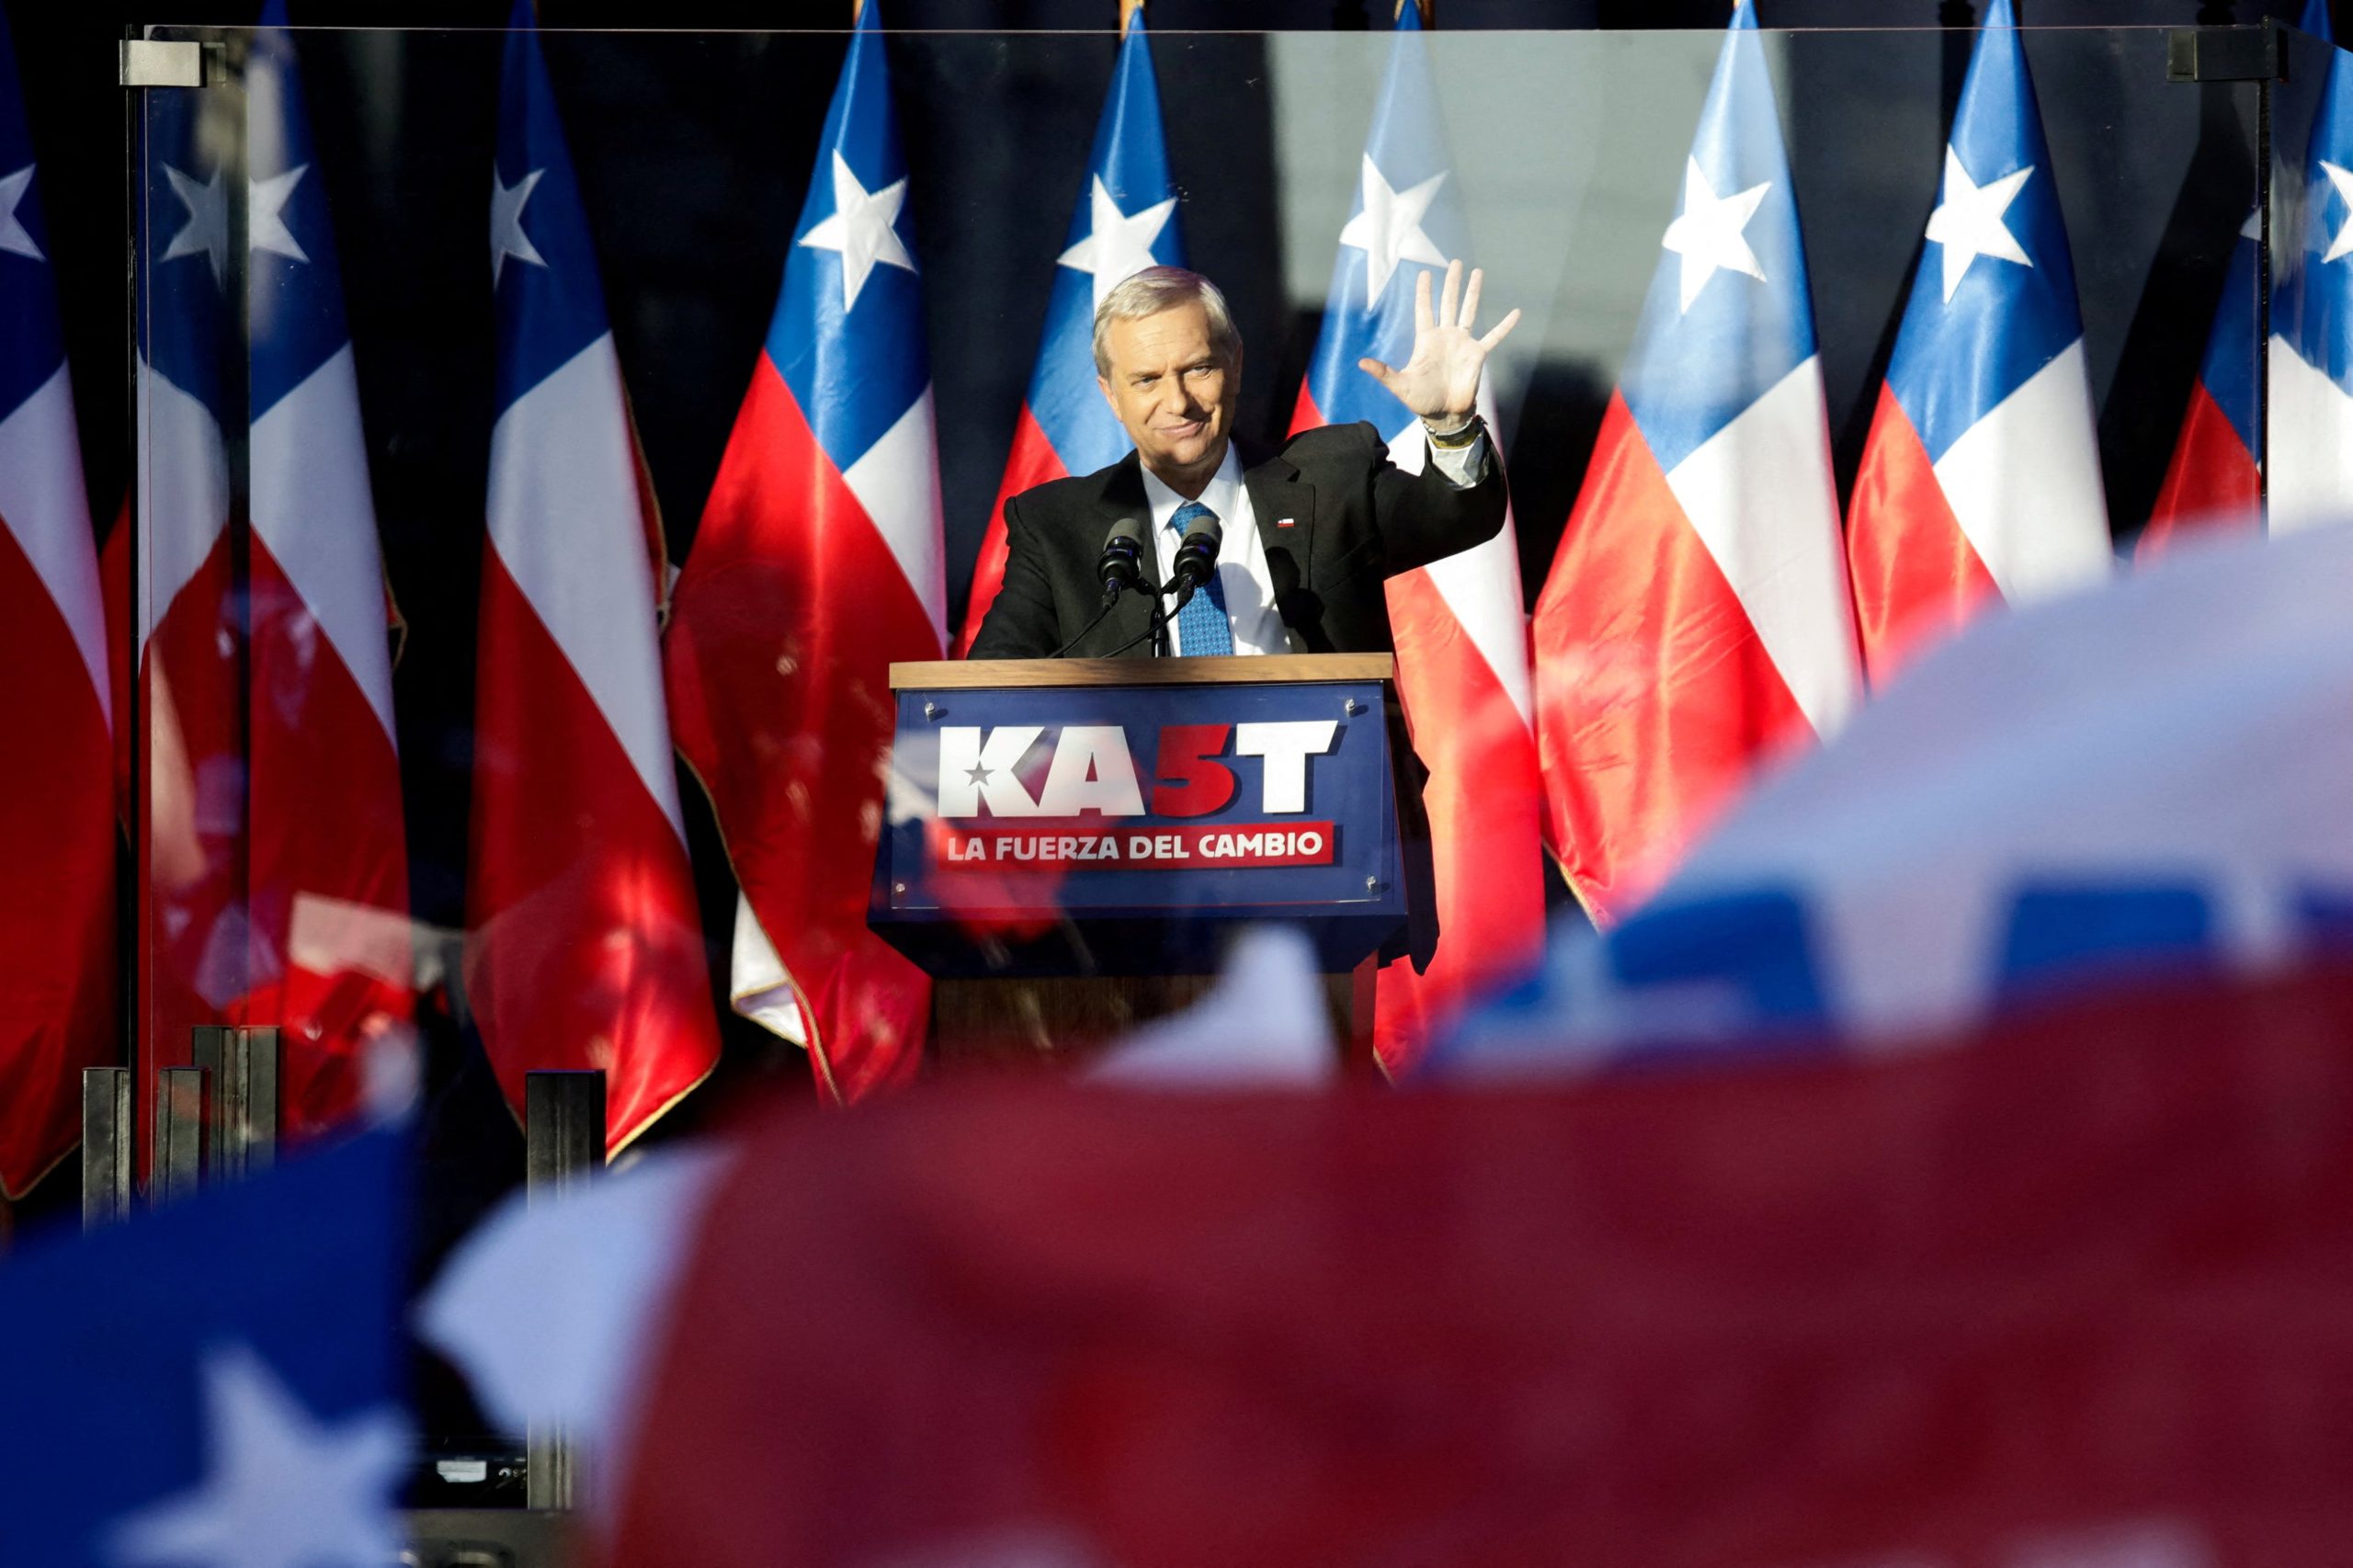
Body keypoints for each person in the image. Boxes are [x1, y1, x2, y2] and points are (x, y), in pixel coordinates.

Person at [967, 260, 1519, 660]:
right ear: (1111, 395)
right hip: (1140, 791)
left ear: (1235, 365)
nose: (1178, 402)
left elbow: (1457, 519)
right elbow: (989, 690)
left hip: (1329, 784)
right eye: (1147, 380)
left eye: (1198, 369)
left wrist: (1451, 424)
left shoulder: (1334, 476)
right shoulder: (1055, 526)